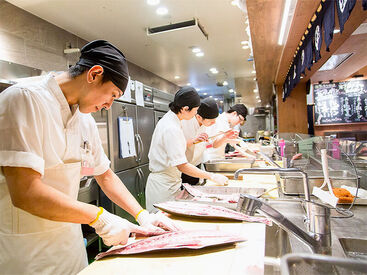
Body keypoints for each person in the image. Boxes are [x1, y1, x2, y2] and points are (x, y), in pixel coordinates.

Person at [0, 40, 178, 275]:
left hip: (70, 247)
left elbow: (104, 174)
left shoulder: (84, 120)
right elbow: (26, 193)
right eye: (112, 95)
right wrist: (100, 217)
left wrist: (142, 215)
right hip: (27, 253)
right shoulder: (24, 99)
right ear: (94, 74)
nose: (108, 106)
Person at [145, 87, 229, 212]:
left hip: (170, 182)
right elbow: (182, 166)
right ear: (185, 109)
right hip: (163, 187)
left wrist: (193, 141)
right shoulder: (171, 127)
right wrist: (211, 176)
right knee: (162, 226)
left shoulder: (172, 119)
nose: (196, 114)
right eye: (195, 111)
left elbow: (174, 147)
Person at [181, 97, 219, 185]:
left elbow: (212, 143)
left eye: (214, 120)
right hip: (184, 167)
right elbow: (177, 145)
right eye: (211, 121)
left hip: (196, 165)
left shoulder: (206, 123)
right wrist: (194, 140)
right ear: (198, 117)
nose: (213, 123)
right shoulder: (185, 122)